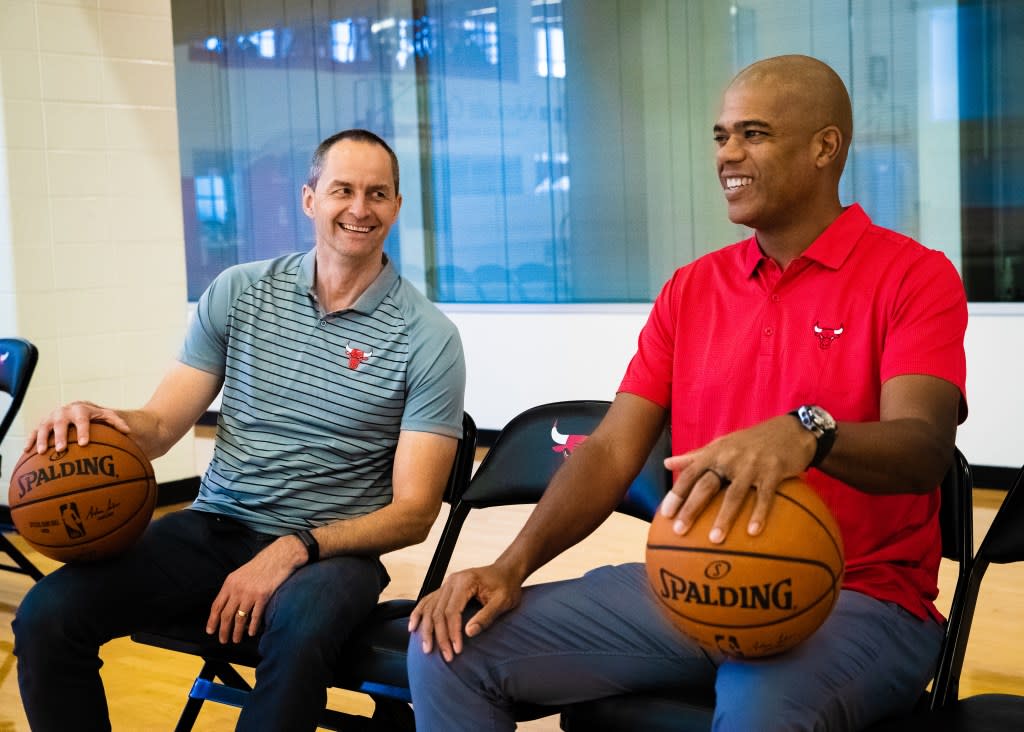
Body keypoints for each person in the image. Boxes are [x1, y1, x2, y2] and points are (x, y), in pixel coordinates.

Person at [407, 55, 967, 731]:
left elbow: (924, 448)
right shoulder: (692, 289)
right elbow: (612, 450)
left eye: (753, 134)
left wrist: (811, 432)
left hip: (856, 598)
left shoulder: (914, 277)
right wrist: (510, 565)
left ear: (825, 147)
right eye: (721, 135)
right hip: (691, 582)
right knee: (448, 649)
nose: (727, 154)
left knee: (759, 713)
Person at [13, 128, 466, 731]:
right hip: (215, 527)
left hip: (334, 553)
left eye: (377, 194)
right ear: (310, 200)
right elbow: (161, 426)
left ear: (397, 207)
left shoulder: (428, 338)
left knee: (299, 634)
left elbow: (414, 512)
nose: (360, 209)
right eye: (343, 190)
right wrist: (106, 422)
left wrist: (295, 547)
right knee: (47, 615)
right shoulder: (239, 291)